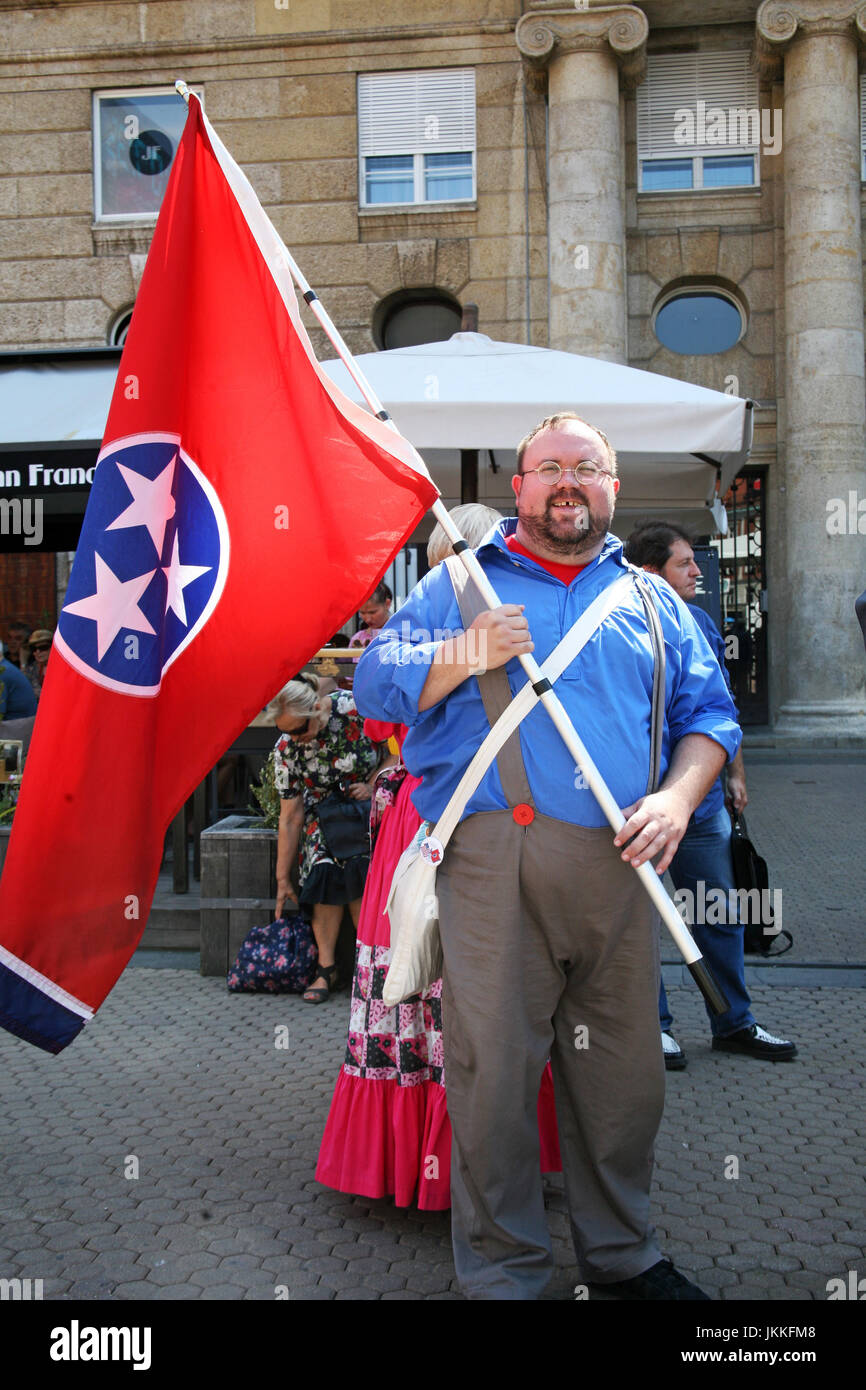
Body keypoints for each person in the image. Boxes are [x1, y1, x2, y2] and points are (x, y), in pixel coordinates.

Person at [354, 412, 741, 1301]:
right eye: (549, 468)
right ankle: (503, 1272)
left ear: (613, 488)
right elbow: (374, 683)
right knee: (492, 1076)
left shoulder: (652, 601)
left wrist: (679, 798)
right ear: (518, 486)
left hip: (623, 864)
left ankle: (624, 1255)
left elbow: (710, 718)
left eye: (589, 468)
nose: (568, 483)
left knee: (624, 1076)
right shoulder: (459, 581)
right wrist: (465, 652)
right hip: (492, 864)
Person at [315, 504, 564, 1211]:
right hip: (437, 821)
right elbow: (380, 694)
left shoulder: (426, 625)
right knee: (442, 984)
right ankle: (463, 1163)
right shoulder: (441, 626)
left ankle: (423, 1159)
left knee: (422, 986)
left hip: (416, 818)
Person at [624, 521, 797, 1069]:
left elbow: (718, 711)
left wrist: (734, 777)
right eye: (685, 563)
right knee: (643, 921)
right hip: (639, 806)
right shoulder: (617, 623)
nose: (699, 571)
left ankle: (734, 1022)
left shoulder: (697, 621)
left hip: (698, 804)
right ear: (650, 572)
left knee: (719, 911)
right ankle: (654, 1029)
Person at [269, 674, 393, 1003]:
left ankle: (371, 969)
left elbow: (398, 752)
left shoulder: (354, 710)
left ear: (317, 710)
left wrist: (372, 782)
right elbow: (290, 816)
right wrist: (282, 877)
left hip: (368, 807)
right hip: (323, 815)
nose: (293, 739)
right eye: (286, 732)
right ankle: (327, 968)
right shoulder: (286, 749)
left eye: (298, 730)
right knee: (324, 865)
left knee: (359, 866)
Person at [348, 582, 392, 652]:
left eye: (372, 612)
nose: (367, 619)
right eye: (362, 613)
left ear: (387, 604)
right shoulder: (357, 638)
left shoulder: (401, 635)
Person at [24, 628, 53, 699]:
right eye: (33, 649)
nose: (37, 652)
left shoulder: (63, 669)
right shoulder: (31, 669)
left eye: (43, 647)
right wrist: (23, 662)